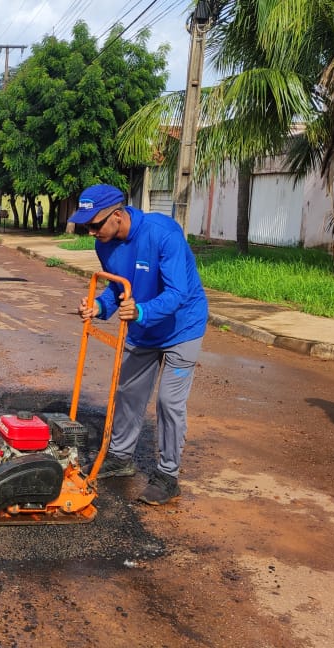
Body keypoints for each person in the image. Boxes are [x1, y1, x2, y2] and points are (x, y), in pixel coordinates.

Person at [72, 183, 208, 505]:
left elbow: (179, 294)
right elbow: (116, 289)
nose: (91, 232)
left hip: (182, 328)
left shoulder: (163, 234)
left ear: (117, 215)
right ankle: (120, 457)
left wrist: (142, 310)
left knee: (168, 402)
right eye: (86, 226)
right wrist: (101, 308)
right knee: (128, 391)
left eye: (95, 224)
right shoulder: (105, 244)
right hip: (142, 329)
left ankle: (168, 475)